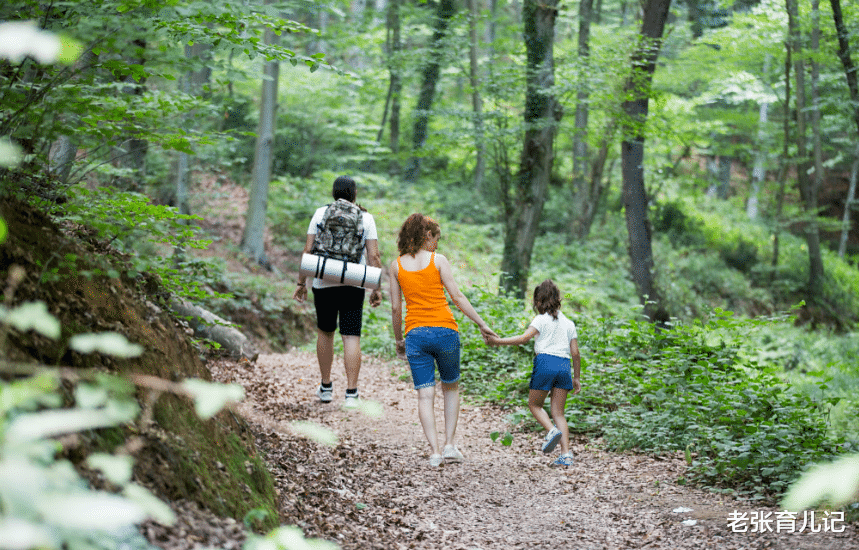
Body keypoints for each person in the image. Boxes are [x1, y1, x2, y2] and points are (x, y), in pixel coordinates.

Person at [389, 213, 497, 467]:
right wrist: (481, 323)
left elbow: (395, 308)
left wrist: (399, 340)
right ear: (427, 235)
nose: (437, 244)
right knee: (451, 387)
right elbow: (457, 297)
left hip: (416, 335)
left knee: (425, 395)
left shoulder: (396, 266)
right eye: (436, 239)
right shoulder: (438, 260)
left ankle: (435, 452)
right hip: (445, 332)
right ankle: (449, 445)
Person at [293, 176, 382, 409]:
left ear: (334, 193)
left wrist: (301, 282)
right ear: (354, 194)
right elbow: (374, 256)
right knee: (351, 336)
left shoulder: (320, 213)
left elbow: (308, 250)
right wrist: (376, 287)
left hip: (323, 279)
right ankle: (351, 393)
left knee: (325, 333)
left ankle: (325, 387)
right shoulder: (366, 217)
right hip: (354, 281)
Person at [487, 279, 581, 467]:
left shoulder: (541, 319)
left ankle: (551, 431)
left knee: (534, 405)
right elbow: (576, 353)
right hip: (564, 365)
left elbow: (524, 338)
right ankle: (566, 455)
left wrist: (497, 341)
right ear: (557, 299)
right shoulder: (569, 323)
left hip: (545, 362)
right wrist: (577, 377)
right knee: (559, 413)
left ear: (538, 301)